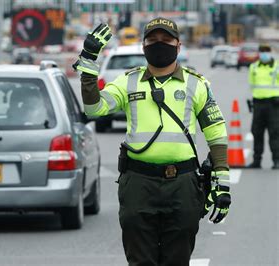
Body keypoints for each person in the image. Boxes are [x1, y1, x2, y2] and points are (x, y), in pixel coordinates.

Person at [73, 18, 231, 265]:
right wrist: (89, 61)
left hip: (183, 185)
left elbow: (216, 133)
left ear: (178, 46)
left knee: (177, 260)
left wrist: (222, 183)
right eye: (153, 40)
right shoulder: (128, 82)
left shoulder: (196, 84)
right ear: (143, 46)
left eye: (166, 40)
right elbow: (94, 109)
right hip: (138, 184)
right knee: (140, 260)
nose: (160, 45)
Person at [247, 43, 279, 169]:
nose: (264, 54)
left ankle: (277, 160)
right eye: (262, 51)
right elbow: (252, 85)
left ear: (270, 52)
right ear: (259, 53)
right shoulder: (253, 67)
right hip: (258, 104)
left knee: (275, 133)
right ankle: (256, 161)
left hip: (274, 104)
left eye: (266, 51)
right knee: (257, 132)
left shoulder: (276, 67)